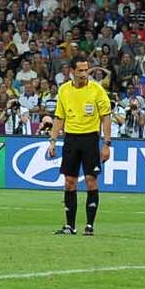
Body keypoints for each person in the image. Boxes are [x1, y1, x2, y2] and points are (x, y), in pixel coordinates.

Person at [48, 55, 113, 236]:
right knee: (69, 182)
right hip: (71, 139)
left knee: (91, 180)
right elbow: (59, 117)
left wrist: (107, 143)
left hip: (90, 139)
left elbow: (106, 116)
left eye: (86, 70)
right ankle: (70, 226)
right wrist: (52, 141)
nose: (84, 74)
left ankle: (90, 225)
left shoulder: (97, 90)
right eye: (81, 71)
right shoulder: (64, 91)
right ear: (72, 72)